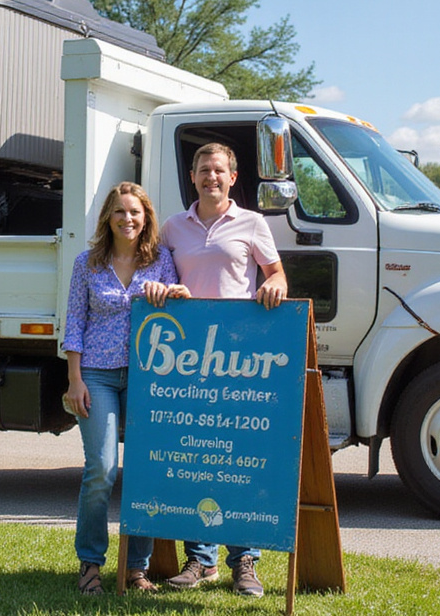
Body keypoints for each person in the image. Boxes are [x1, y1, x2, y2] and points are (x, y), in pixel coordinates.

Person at [154, 142, 287, 599]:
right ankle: (201, 560)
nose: (211, 176)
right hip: (188, 360)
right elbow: (157, 276)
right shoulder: (173, 227)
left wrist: (272, 284)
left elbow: (277, 275)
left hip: (238, 359)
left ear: (233, 177)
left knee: (240, 462)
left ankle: (245, 561)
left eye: (219, 170)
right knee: (196, 460)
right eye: (203, 170)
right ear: (192, 177)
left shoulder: (253, 223)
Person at [62, 181, 185, 595]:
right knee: (101, 468)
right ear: (107, 218)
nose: (127, 219)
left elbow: (181, 302)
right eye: (119, 211)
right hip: (96, 374)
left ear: (146, 216)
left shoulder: (161, 260)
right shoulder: (87, 263)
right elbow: (75, 322)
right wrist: (74, 380)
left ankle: (136, 568)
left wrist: (172, 291)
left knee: (145, 471)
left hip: (147, 375)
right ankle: (90, 564)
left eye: (135, 211)